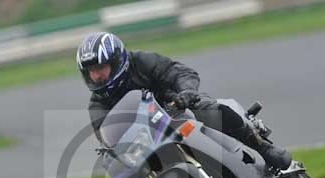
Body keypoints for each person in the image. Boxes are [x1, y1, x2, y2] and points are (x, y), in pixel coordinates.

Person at [77, 32, 292, 170]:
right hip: (150, 140)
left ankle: (263, 148)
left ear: (117, 61)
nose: (96, 76)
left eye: (100, 69)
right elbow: (108, 139)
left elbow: (179, 72)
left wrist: (186, 92)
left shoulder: (142, 61)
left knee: (208, 108)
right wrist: (114, 163)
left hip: (178, 108)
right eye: (91, 72)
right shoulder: (97, 105)